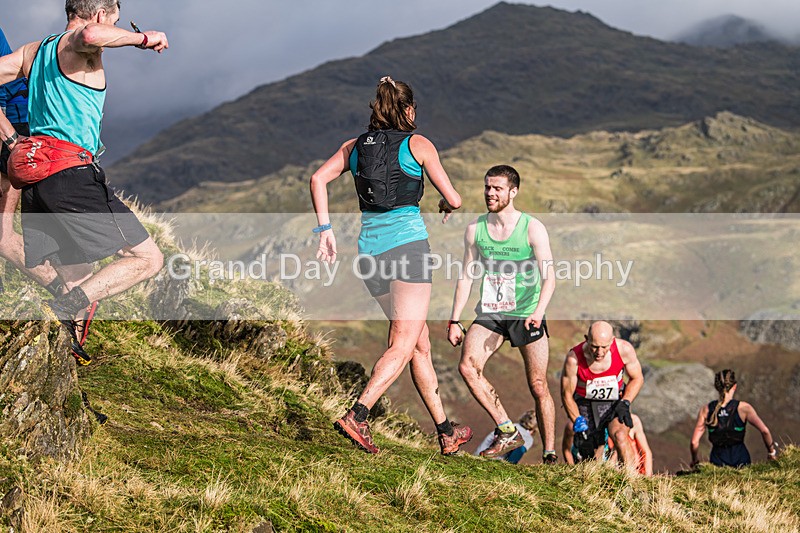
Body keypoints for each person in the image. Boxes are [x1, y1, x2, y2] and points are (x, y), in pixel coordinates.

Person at [310, 76, 472, 455]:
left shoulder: (353, 147)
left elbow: (318, 179)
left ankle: (447, 432)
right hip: (408, 251)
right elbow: (455, 198)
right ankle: (358, 415)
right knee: (403, 342)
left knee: (419, 344)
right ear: (409, 109)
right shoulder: (419, 144)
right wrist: (446, 204)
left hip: (370, 255)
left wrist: (325, 231)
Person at [0, 1, 167, 365]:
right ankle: (61, 307)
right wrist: (144, 37)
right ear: (100, 13)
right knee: (147, 258)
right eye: (116, 21)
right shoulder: (83, 40)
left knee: (77, 274)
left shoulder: (34, 51)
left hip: (39, 181)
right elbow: (90, 35)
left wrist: (12, 139)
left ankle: (63, 363)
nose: (114, 29)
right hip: (71, 174)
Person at [447, 165, 558, 464]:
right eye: (487, 187)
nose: (490, 193)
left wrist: (538, 312)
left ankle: (549, 452)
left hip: (526, 312)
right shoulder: (476, 229)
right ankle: (507, 429)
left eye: (497, 188)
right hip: (492, 311)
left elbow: (550, 277)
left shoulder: (532, 228)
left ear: (513, 191)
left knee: (538, 385)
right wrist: (454, 319)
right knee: (468, 367)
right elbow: (467, 275)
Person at [0, 26, 61, 296]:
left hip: (16, 123)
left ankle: (69, 292)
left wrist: (11, 143)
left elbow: (2, 91)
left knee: (4, 234)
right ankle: (69, 291)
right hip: (19, 123)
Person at [560, 321, 645, 472]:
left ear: (612, 340)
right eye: (594, 346)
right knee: (592, 455)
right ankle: (594, 486)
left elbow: (637, 378)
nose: (599, 352)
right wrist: (577, 421)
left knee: (620, 436)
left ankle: (632, 481)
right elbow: (566, 394)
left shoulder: (624, 350)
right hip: (585, 405)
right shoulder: (574, 359)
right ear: (586, 339)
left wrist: (625, 402)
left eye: (604, 347)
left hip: (614, 403)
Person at [690, 369, 778, 468]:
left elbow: (694, 442)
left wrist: (695, 460)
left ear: (716, 387)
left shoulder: (706, 410)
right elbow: (765, 431)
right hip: (741, 461)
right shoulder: (744, 408)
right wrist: (771, 453)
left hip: (717, 463)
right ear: (734, 386)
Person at [563, 413, 653, 475]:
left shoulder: (633, 421)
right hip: (594, 467)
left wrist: (648, 476)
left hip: (632, 470)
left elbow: (646, 452)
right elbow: (567, 450)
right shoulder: (573, 427)